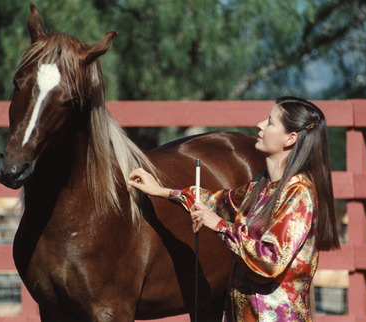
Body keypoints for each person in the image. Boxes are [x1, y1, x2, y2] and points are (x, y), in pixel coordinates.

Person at [128, 96, 340, 321]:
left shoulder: (299, 194)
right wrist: (162, 191)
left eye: (270, 122)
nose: (260, 125)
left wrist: (218, 225)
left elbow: (269, 260)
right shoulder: (261, 186)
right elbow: (217, 201)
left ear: (290, 138)